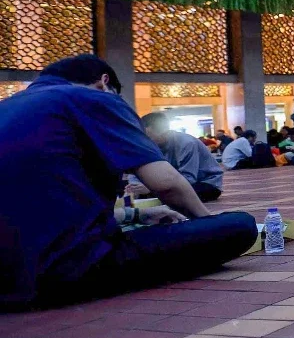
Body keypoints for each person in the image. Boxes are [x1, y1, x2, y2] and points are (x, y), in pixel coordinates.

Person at [0, 55, 257, 310]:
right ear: (104, 82)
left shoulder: (8, 106)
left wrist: (137, 214)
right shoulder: (95, 99)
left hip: (6, 277)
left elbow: (42, 203)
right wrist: (207, 223)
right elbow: (166, 184)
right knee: (238, 226)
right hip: (66, 269)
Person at [135, 112, 225, 201]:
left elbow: (188, 179)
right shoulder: (149, 144)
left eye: (149, 136)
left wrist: (151, 188)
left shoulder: (186, 143)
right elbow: (140, 168)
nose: (146, 140)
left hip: (204, 183)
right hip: (175, 182)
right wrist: (135, 186)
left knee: (170, 195)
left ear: (164, 132)